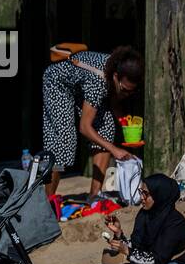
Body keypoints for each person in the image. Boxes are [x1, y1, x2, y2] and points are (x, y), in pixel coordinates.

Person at [68, 174, 185, 264]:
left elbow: (157, 260)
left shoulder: (175, 223)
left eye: (146, 194)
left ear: (160, 195)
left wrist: (127, 251)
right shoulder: (145, 215)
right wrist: (119, 234)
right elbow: (137, 246)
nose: (141, 198)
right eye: (140, 192)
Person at [40, 45, 143, 198]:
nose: (127, 94)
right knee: (63, 141)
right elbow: (84, 127)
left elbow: (114, 102)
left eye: (131, 91)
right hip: (58, 83)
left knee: (107, 127)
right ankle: (47, 201)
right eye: (125, 90)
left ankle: (95, 196)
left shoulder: (115, 73)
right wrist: (115, 150)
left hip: (80, 86)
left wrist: (126, 125)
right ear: (115, 76)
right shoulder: (99, 81)